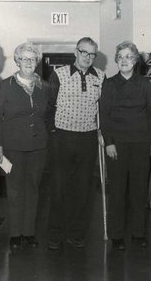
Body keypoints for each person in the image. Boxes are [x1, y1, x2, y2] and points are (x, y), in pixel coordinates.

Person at [46, 37, 105, 250]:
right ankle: (55, 234)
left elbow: (102, 110)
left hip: (87, 138)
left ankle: (76, 233)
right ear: (76, 52)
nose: (88, 57)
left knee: (82, 188)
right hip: (62, 136)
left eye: (92, 54)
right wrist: (53, 135)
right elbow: (50, 107)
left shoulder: (100, 76)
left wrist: (100, 131)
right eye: (84, 52)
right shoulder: (59, 74)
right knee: (59, 187)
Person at [100, 41, 151, 250]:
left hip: (141, 144)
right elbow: (104, 116)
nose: (124, 60)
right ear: (116, 60)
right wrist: (109, 143)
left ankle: (138, 233)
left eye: (128, 56)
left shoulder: (144, 83)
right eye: (121, 56)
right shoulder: (110, 83)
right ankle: (116, 235)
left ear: (135, 61)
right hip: (117, 145)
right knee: (117, 190)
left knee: (139, 190)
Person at [0, 42, 49, 250]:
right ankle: (15, 233)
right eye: (24, 58)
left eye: (32, 59)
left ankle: (29, 232)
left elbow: (48, 117)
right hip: (11, 147)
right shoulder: (5, 85)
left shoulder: (45, 87)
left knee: (33, 189)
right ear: (17, 61)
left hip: (38, 147)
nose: (28, 62)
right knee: (15, 190)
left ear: (36, 61)